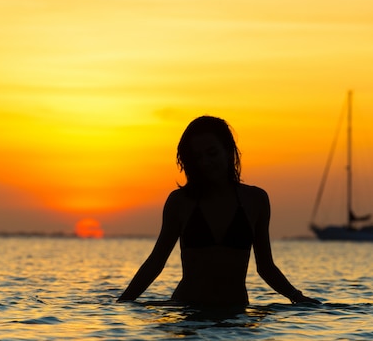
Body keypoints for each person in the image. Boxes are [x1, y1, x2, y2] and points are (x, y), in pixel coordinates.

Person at [117, 116, 319, 306]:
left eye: (212, 153)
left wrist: (298, 298)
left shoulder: (255, 200)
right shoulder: (180, 202)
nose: (205, 162)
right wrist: (121, 304)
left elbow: (265, 267)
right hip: (188, 311)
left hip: (236, 317)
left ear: (228, 151)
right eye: (197, 157)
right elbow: (155, 262)